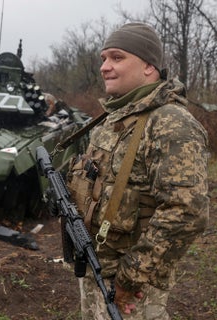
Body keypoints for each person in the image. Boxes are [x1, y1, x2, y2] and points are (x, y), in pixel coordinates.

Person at [66, 22, 209, 319]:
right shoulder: (112, 119)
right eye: (104, 58)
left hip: (130, 286)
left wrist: (130, 278)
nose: (105, 67)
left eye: (117, 58)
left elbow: (186, 211)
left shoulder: (169, 122)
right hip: (94, 267)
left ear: (148, 67)